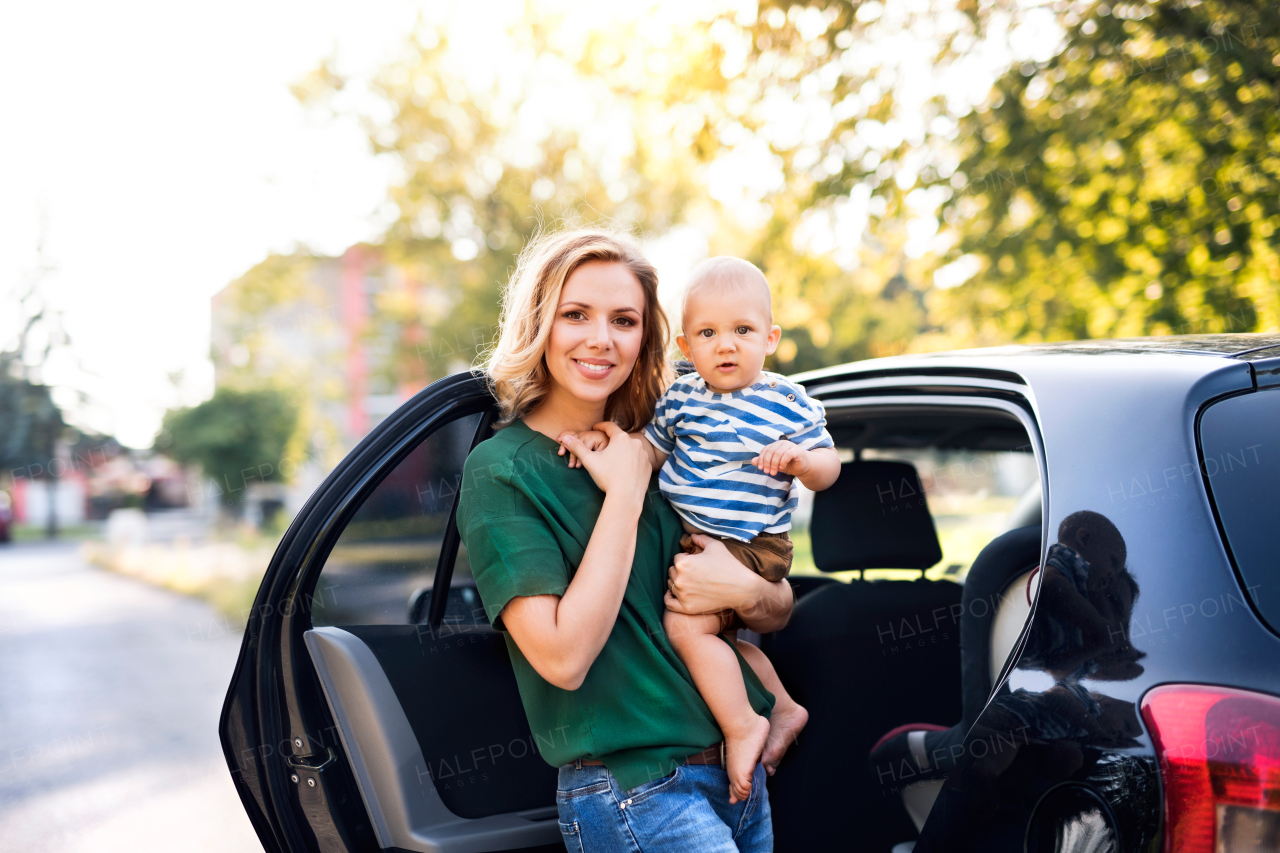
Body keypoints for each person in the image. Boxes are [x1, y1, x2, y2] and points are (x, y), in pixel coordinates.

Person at [456, 230, 796, 852]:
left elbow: (776, 605)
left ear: (646, 338)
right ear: (539, 324)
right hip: (637, 793)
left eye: (624, 319)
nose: (601, 339)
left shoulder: (670, 444)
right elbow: (563, 657)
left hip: (737, 775)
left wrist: (745, 587)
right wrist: (627, 490)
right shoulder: (502, 472)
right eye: (575, 315)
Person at [559, 256, 840, 803]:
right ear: (686, 348)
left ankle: (744, 727)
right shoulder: (682, 399)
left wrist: (802, 462)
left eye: (743, 331)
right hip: (700, 539)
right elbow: (650, 452)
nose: (726, 345)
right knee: (718, 642)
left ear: (771, 338)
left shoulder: (786, 400)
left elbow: (830, 466)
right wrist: (604, 440)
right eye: (708, 334)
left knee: (687, 631)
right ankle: (782, 708)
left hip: (754, 545)